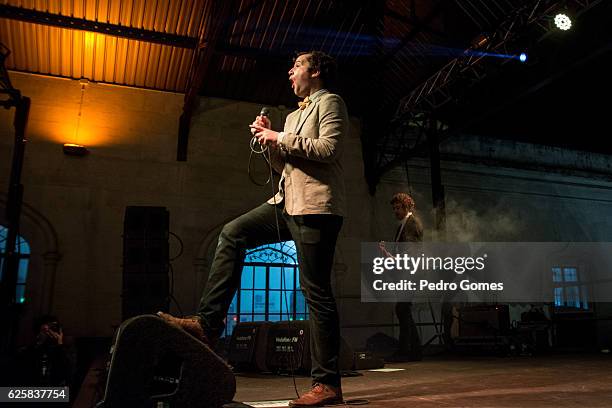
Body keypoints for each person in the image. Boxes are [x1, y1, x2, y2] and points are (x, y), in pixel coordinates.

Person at [158, 50, 347, 407]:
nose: (290, 72)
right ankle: (207, 325)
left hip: (316, 209)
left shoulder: (331, 102)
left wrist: (278, 137)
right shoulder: (293, 115)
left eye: (297, 66)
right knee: (233, 232)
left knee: (316, 292)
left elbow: (329, 150)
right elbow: (285, 166)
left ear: (316, 70)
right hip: (285, 203)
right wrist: (268, 141)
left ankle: (328, 385)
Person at [379, 193, 424, 361]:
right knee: (403, 309)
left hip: (411, 273)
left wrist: (391, 258)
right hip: (407, 272)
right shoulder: (404, 225)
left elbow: (412, 252)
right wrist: (388, 255)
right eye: (394, 208)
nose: (395, 211)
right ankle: (414, 351)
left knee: (402, 308)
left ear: (407, 207)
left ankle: (406, 351)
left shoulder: (411, 224)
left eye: (398, 208)